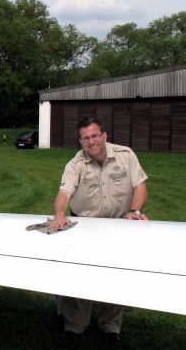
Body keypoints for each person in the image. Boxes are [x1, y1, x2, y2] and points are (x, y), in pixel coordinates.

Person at [49, 117, 149, 342]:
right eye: (86, 138)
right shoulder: (75, 164)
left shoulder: (125, 155)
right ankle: (74, 325)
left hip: (119, 223)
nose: (91, 141)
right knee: (77, 272)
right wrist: (59, 215)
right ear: (80, 141)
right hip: (84, 223)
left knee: (116, 273)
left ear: (104, 136)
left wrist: (135, 209)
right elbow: (64, 193)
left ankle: (110, 325)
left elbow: (140, 185)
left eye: (95, 136)